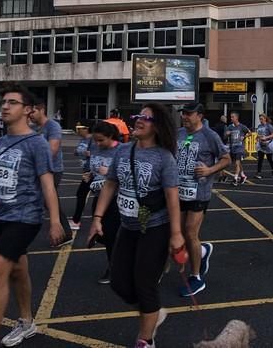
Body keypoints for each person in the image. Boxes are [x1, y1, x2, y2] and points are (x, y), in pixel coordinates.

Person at [0, 83, 64, 348]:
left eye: (12, 102)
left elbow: (47, 184)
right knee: (18, 271)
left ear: (28, 110)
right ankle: (27, 321)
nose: (6, 107)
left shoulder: (37, 144)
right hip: (1, 216)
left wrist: (55, 221)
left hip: (25, 217)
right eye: (4, 103)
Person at [88, 103, 184, 348]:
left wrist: (176, 234)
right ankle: (152, 313)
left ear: (158, 126)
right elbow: (110, 184)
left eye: (146, 118)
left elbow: (173, 198)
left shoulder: (164, 157)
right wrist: (97, 219)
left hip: (155, 227)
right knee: (120, 283)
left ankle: (146, 339)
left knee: (145, 284)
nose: (139, 120)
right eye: (138, 115)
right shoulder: (123, 151)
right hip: (128, 226)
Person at [176, 102, 231, 297]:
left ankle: (196, 277)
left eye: (188, 113)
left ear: (199, 115)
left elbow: (226, 158)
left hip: (199, 192)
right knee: (181, 232)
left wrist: (209, 170)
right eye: (183, 113)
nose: (184, 116)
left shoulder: (209, 135)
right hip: (179, 191)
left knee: (190, 233)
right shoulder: (179, 133)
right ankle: (203, 251)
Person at [30, 100, 73, 246]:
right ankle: (63, 231)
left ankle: (65, 233)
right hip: (40, 170)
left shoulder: (52, 126)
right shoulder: (36, 128)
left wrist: (34, 161)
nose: (30, 115)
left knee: (49, 200)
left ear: (42, 110)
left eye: (33, 111)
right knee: (47, 201)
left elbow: (52, 150)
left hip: (53, 170)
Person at [87, 121, 122, 284]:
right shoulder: (95, 148)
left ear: (111, 137)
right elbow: (94, 167)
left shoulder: (121, 150)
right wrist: (90, 175)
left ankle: (115, 268)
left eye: (101, 140)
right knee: (106, 236)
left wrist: (109, 172)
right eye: (95, 140)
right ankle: (114, 265)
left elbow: (128, 175)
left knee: (113, 236)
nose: (97, 144)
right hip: (98, 196)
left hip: (116, 199)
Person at [70, 124, 93, 230]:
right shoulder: (83, 140)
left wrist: (88, 153)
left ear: (87, 129)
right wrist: (83, 152)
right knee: (82, 194)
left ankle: (76, 220)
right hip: (86, 171)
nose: (78, 131)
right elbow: (75, 152)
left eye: (80, 129)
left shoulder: (93, 140)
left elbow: (96, 153)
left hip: (92, 172)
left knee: (81, 193)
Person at [225, 112, 250, 186]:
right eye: (231, 117)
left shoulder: (242, 126)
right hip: (232, 148)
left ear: (236, 118)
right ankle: (243, 175)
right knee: (237, 163)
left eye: (232, 117)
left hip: (240, 147)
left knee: (237, 163)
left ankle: (235, 178)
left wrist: (244, 137)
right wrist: (227, 133)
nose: (231, 118)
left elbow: (249, 132)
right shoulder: (230, 127)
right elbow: (225, 134)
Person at [254, 114, 273, 179]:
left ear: (265, 118)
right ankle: (258, 173)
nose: (260, 120)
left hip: (268, 144)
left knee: (269, 159)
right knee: (260, 159)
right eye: (260, 119)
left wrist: (266, 137)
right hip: (261, 145)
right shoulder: (259, 126)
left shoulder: (269, 126)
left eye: (261, 119)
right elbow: (258, 134)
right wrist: (257, 138)